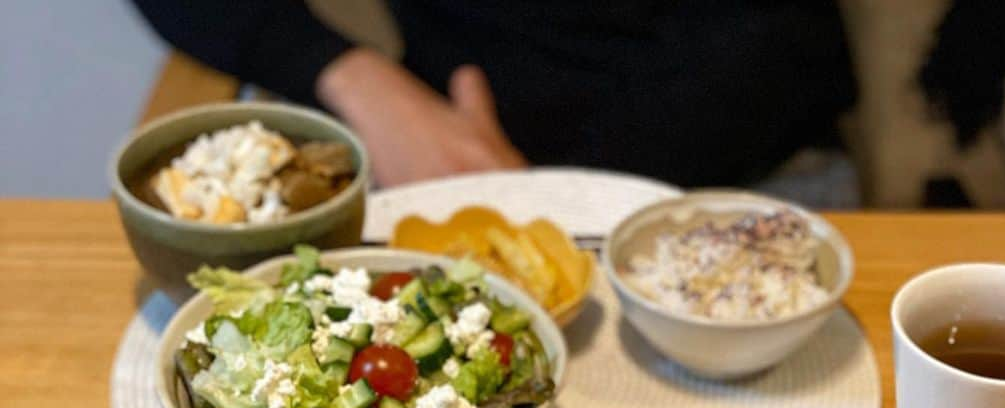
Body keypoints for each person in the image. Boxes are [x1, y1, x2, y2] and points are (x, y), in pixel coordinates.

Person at [131, 1, 856, 189]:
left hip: (750, 171)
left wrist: (561, 201)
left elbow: (786, 49)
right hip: (446, 165)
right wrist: (354, 78)